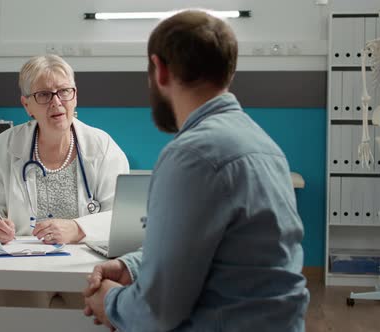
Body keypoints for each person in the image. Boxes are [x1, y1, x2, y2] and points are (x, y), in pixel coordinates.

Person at [83, 10, 310, 331]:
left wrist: (109, 301)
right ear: (228, 72)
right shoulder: (265, 146)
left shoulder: (192, 156)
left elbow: (157, 311)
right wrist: (132, 265)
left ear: (159, 70)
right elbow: (218, 253)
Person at [0, 54, 129, 306]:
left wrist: (78, 228)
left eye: (64, 92)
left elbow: (123, 217)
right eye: (44, 95)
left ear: (75, 96)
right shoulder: (3, 147)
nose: (56, 102)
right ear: (27, 105)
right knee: (3, 298)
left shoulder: (102, 147)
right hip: (22, 266)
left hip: (83, 265)